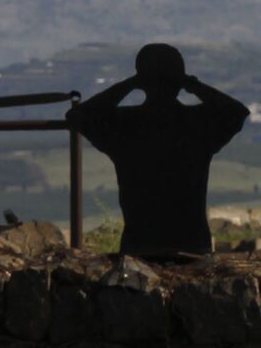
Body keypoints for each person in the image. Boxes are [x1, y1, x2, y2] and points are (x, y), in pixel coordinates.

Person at [67, 44, 249, 257]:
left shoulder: (126, 125)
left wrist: (131, 83)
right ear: (179, 78)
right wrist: (191, 84)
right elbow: (236, 112)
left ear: (143, 80)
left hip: (140, 244)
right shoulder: (196, 124)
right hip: (192, 244)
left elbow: (79, 116)